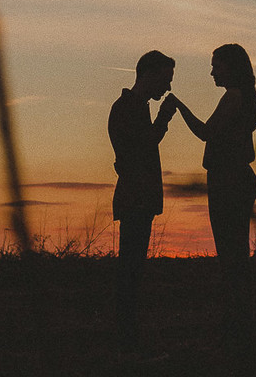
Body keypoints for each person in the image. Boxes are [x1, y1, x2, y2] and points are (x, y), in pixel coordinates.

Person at [167, 43, 256, 341]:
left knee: (231, 254)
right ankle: (239, 320)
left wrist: (179, 107)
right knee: (236, 253)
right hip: (235, 178)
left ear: (231, 68)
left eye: (216, 66)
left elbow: (207, 132)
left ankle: (237, 323)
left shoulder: (232, 97)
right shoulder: (242, 97)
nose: (212, 72)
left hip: (229, 180)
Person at [107, 49, 178, 352]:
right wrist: (165, 117)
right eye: (165, 79)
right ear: (148, 74)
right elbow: (142, 147)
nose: (168, 87)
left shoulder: (134, 107)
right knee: (130, 271)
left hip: (138, 199)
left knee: (133, 269)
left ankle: (128, 338)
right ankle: (127, 340)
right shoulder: (128, 108)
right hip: (135, 199)